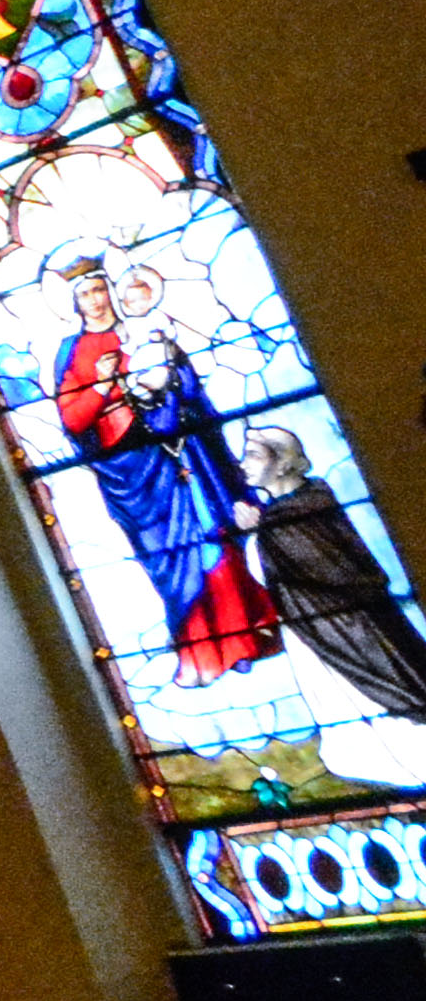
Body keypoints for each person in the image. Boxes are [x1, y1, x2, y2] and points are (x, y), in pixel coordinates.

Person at [56, 250, 270, 677]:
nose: (96, 300)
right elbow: (72, 418)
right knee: (170, 558)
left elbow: (190, 389)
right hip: (134, 473)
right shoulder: (73, 352)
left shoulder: (143, 332)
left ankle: (247, 634)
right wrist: (104, 383)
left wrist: (171, 367)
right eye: (86, 295)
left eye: (100, 289)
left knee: (213, 536)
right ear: (74, 304)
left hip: (183, 454)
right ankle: (201, 653)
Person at [239, 427, 426, 730]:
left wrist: (256, 535)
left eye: (253, 455)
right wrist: (261, 534)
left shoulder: (294, 513)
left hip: (338, 625)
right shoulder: (309, 500)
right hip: (333, 621)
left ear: (283, 463)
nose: (242, 463)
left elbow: (298, 570)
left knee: (381, 690)